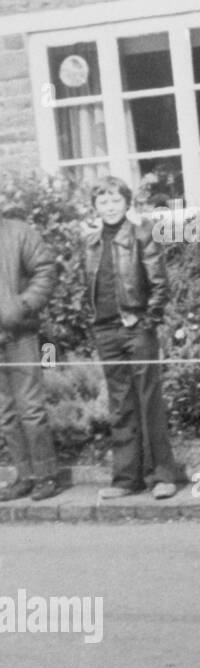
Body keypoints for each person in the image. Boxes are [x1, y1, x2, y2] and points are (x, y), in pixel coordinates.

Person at [81, 178, 182, 499]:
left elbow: (159, 285)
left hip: (137, 329)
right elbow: (86, 287)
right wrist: (96, 323)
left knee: (148, 400)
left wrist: (146, 322)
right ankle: (127, 479)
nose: (110, 208)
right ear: (95, 208)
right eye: (103, 203)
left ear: (126, 204)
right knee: (120, 405)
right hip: (106, 331)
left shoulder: (142, 234)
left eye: (115, 201)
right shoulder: (90, 242)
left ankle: (162, 476)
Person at [0, 206, 61, 502]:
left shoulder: (20, 232)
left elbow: (46, 271)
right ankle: (24, 476)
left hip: (21, 334)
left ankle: (47, 475)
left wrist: (21, 306)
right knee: (5, 413)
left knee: (31, 409)